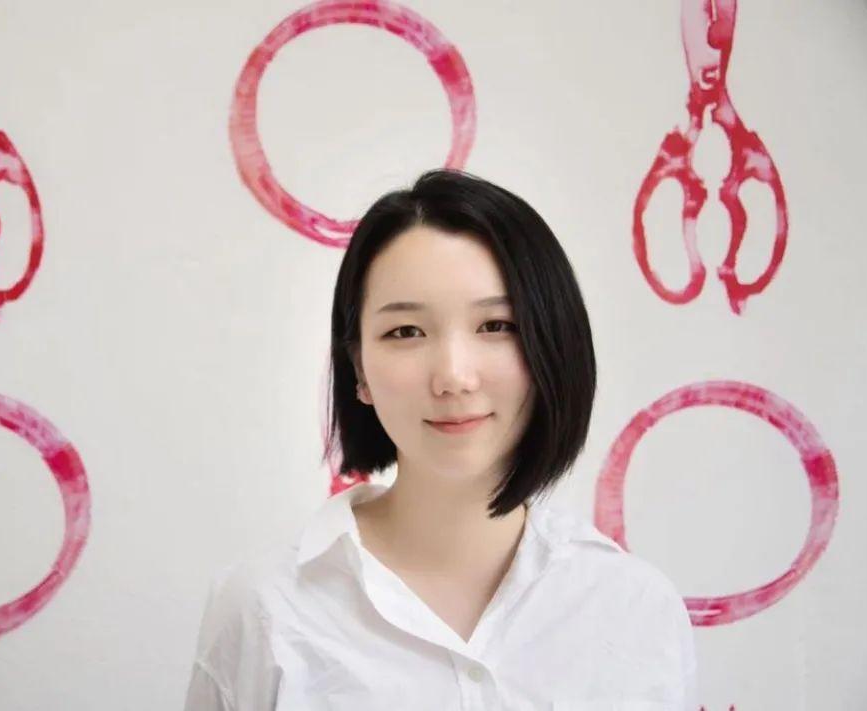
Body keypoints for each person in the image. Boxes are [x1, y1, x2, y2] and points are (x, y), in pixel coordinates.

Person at [184, 169, 697, 710]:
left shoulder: (634, 608)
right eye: (405, 332)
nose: (453, 376)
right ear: (358, 368)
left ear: (553, 345)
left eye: (496, 326)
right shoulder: (263, 609)